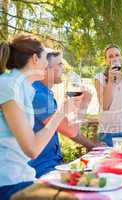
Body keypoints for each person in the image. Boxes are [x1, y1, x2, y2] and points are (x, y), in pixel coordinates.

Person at [0, 34, 81, 200]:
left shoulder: (23, 88)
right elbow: (32, 149)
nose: (48, 64)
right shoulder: (8, 85)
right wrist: (60, 114)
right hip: (9, 182)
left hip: (23, 177)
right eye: (46, 58)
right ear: (35, 59)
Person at [28, 50, 99, 178]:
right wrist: (84, 105)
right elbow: (71, 130)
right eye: (59, 64)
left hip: (52, 164)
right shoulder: (38, 96)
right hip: (40, 169)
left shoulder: (46, 94)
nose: (63, 68)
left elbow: (65, 127)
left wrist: (92, 145)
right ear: (46, 69)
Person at [94, 44, 122, 146]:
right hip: (108, 132)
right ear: (106, 60)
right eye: (110, 56)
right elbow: (105, 106)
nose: (114, 58)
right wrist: (111, 79)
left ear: (121, 58)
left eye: (117, 55)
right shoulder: (99, 78)